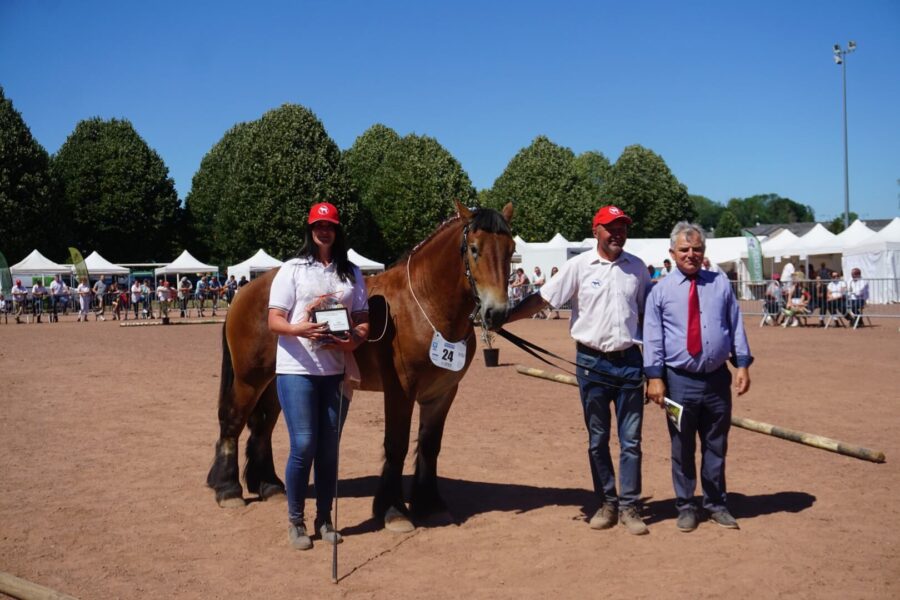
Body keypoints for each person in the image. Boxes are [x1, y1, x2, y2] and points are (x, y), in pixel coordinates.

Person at [505, 204, 652, 535]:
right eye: (611, 227)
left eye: (623, 227)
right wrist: (505, 317)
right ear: (595, 230)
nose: (618, 233)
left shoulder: (638, 269)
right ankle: (607, 503)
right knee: (598, 439)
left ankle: (630, 507)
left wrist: (656, 367)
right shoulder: (579, 266)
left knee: (631, 441)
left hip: (630, 362)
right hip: (591, 363)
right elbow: (542, 299)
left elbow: (650, 317)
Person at [267, 201, 369, 551]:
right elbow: (274, 320)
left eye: (329, 226)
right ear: (310, 230)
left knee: (329, 450)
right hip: (297, 369)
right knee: (305, 444)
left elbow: (362, 318)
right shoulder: (293, 269)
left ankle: (324, 519)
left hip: (335, 371)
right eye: (317, 226)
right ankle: (295, 520)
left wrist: (353, 340)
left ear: (337, 230)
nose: (323, 231)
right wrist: (301, 330)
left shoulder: (351, 272)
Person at [643, 222, 752, 533]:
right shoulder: (659, 290)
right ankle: (686, 506)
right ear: (672, 253)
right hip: (679, 381)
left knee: (716, 445)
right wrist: (654, 376)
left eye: (697, 249)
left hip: (717, 380)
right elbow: (652, 338)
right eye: (684, 249)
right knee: (682, 447)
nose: (691, 254)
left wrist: (741, 364)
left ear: (704, 252)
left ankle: (716, 504)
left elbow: (735, 325)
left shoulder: (720, 284)